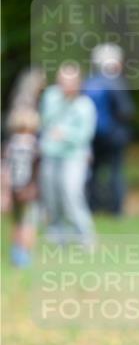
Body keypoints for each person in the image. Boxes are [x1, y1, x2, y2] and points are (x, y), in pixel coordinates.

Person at [40, 62, 97, 244]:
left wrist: (65, 134)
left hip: (74, 156)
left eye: (71, 81)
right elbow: (45, 121)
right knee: (51, 196)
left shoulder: (85, 105)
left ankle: (85, 235)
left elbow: (85, 135)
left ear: (78, 83)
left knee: (71, 194)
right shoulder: (51, 97)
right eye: (63, 81)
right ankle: (56, 234)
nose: (66, 85)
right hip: (50, 153)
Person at [83, 43, 134, 215]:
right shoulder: (116, 81)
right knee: (115, 171)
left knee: (93, 172)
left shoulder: (89, 81)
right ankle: (115, 208)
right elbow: (126, 110)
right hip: (114, 136)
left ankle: (93, 205)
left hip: (92, 135)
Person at [5, 107, 41, 266]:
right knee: (30, 222)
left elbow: (5, 169)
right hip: (29, 190)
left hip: (14, 189)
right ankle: (25, 254)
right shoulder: (33, 145)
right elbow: (37, 169)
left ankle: (16, 253)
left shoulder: (10, 145)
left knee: (17, 221)